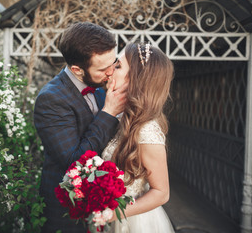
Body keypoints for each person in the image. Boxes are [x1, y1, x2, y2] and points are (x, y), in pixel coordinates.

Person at [34, 22, 127, 233]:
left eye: (114, 63)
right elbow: (72, 161)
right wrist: (109, 113)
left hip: (104, 203)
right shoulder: (51, 99)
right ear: (77, 69)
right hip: (68, 210)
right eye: (104, 69)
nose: (111, 73)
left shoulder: (102, 89)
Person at [102, 42, 175, 233]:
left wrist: (112, 213)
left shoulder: (147, 130)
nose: (110, 71)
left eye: (118, 66)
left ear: (135, 78)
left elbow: (161, 193)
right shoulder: (120, 118)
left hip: (133, 221)